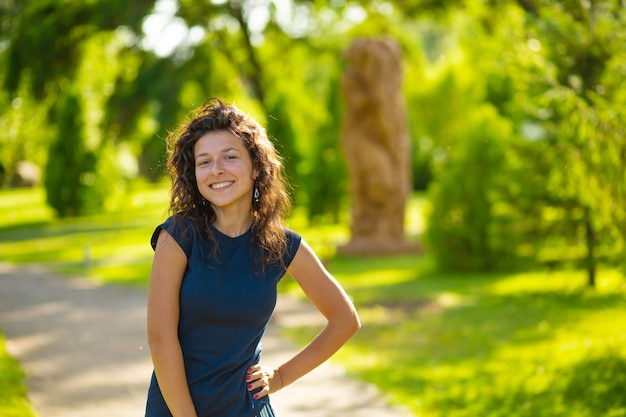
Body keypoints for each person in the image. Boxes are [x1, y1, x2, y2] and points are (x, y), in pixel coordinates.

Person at [145, 98, 361, 417]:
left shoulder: (280, 245)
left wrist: (282, 376)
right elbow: (161, 339)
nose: (216, 169)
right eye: (204, 161)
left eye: (229, 157)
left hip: (247, 408)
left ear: (256, 166)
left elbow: (345, 320)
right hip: (177, 410)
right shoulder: (179, 235)